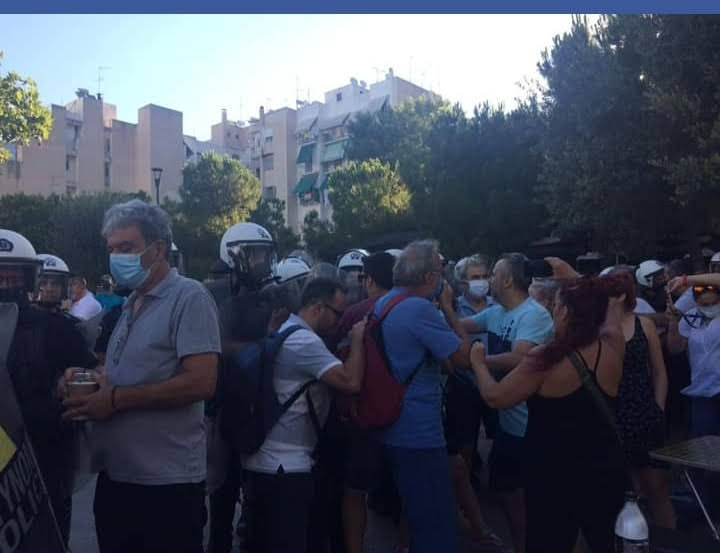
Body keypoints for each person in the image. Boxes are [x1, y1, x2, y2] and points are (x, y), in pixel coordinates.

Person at [60, 199, 221, 553]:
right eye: (112, 249)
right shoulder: (132, 302)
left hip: (166, 487)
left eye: (126, 248)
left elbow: (201, 382)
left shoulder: (189, 298)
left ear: (158, 249)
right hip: (117, 478)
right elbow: (122, 372)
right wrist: (89, 378)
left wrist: (116, 400)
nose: (117, 257)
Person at [471, 265, 627, 553]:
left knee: (549, 542)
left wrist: (478, 362)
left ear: (564, 312)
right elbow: (607, 310)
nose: (552, 311)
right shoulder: (613, 345)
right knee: (603, 542)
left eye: (555, 306)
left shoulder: (545, 358)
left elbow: (495, 397)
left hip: (554, 473)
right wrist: (585, 287)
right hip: (605, 465)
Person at [242, 278, 366, 553]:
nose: (340, 321)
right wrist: (357, 340)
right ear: (317, 307)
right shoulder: (304, 341)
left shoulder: (285, 329)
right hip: (286, 468)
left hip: (264, 461)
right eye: (338, 313)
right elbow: (350, 382)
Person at [1, 229, 98, 547]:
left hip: (45, 460)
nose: (5, 284)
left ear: (29, 279)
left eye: (13, 276)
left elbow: (93, 375)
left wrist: (73, 384)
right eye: (0, 276)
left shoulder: (56, 328)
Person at [374, 240, 472, 553]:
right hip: (420, 432)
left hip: (393, 425)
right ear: (430, 277)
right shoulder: (419, 309)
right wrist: (448, 308)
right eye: (440, 272)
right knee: (436, 524)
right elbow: (463, 358)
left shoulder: (386, 302)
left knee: (417, 514)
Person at [461, 253, 554, 553]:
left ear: (508, 280)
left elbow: (520, 357)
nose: (488, 280)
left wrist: (479, 360)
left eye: (493, 274)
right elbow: (463, 326)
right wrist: (443, 308)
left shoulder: (533, 315)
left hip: (531, 425)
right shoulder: (496, 312)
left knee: (536, 499)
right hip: (508, 423)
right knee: (506, 490)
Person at [335, 252, 395, 553]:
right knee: (406, 489)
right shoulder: (413, 309)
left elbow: (337, 359)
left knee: (354, 491)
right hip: (404, 415)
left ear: (368, 280)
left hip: (362, 414)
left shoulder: (353, 314)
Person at [607, 268, 675, 528]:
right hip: (612, 414)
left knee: (658, 489)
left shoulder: (643, 325)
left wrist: (658, 408)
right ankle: (633, 539)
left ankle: (670, 539)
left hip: (644, 413)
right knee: (624, 491)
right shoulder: (598, 328)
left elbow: (659, 371)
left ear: (622, 295)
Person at [667, 272, 720, 517]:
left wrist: (688, 279)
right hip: (701, 394)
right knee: (701, 454)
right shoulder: (693, 317)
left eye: (712, 299)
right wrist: (672, 321)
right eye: (702, 299)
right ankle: (704, 508)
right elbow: (675, 347)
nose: (707, 303)